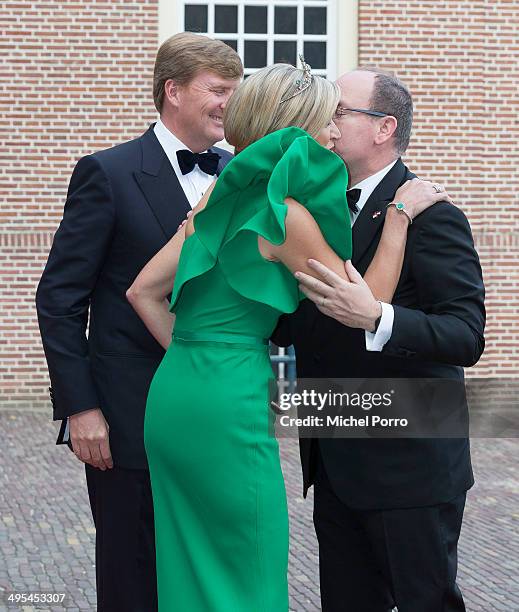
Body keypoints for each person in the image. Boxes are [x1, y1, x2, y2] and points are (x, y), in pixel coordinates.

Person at [127, 60, 448, 611]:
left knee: (187, 565)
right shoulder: (287, 213)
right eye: (328, 119)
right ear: (299, 125)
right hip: (229, 400)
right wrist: (398, 219)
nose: (332, 132)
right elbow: (360, 304)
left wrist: (198, 354)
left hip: (176, 392)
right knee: (251, 567)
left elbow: (141, 292)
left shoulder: (217, 197)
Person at [35, 32, 243, 611]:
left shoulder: (241, 175)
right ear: (172, 90)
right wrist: (81, 408)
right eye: (218, 89)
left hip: (215, 415)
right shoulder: (107, 172)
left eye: (236, 89)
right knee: (134, 578)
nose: (231, 102)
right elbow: (58, 299)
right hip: (129, 420)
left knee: (205, 570)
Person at [274, 68, 486, 611]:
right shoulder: (320, 208)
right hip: (336, 459)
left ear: (383, 127)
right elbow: (306, 324)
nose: (326, 121)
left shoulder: (434, 217)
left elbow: (465, 334)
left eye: (339, 111)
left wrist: (378, 318)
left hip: (410, 468)